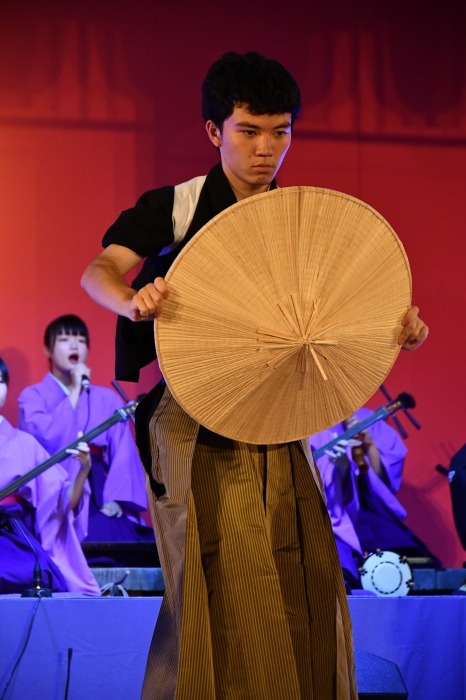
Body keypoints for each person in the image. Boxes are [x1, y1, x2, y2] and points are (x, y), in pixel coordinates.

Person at [81, 52, 428, 700]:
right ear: (215, 132)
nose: (267, 148)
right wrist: (132, 298)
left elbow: (330, 312)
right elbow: (97, 270)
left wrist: (394, 328)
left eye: (281, 131)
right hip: (189, 418)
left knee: (301, 570)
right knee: (212, 579)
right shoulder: (178, 206)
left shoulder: (296, 218)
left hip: (271, 418)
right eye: (249, 130)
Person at [18, 315, 153, 552]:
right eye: (64, 339)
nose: (74, 346)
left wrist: (116, 499)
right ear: (47, 349)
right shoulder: (32, 397)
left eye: (80, 340)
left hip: (100, 495)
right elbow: (46, 440)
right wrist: (75, 391)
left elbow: (122, 455)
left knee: (122, 541)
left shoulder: (107, 398)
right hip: (53, 492)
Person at [0, 357, 100, 595]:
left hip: (11, 537)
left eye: (0, 380)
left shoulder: (24, 444)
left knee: (36, 572)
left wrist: (84, 469)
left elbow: (60, 501)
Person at [310, 408, 439, 589]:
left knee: (396, 546)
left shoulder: (365, 417)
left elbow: (382, 485)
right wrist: (341, 468)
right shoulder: (307, 424)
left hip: (365, 509)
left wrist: (369, 445)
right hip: (329, 513)